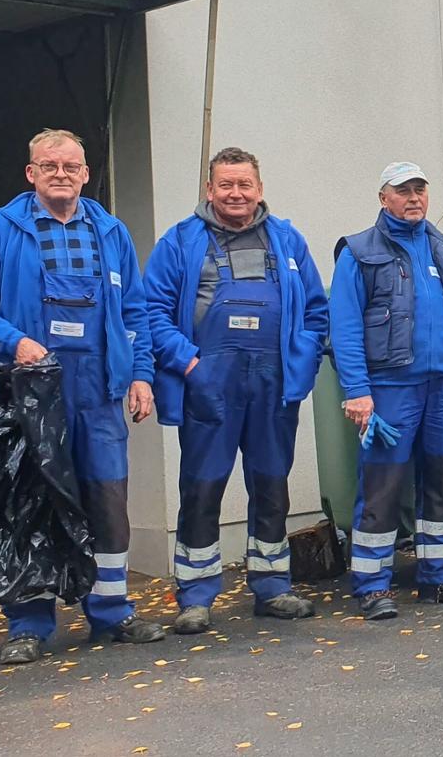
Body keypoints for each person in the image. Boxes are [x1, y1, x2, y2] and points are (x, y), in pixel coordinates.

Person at [0, 128, 166, 663]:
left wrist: (141, 375)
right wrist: (13, 340)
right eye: (50, 166)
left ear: (87, 173)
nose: (61, 174)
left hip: (98, 391)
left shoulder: (110, 231)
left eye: (71, 166)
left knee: (107, 502)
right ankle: (29, 624)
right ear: (31, 173)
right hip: (31, 388)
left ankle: (111, 613)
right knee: (30, 502)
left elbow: (135, 313)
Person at [141, 147, 327, 634]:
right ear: (209, 190)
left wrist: (298, 364)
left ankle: (272, 586)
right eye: (226, 184)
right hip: (210, 386)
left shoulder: (287, 241)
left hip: (271, 385)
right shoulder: (181, 242)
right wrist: (191, 364)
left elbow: (316, 313)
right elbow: (151, 313)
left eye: (245, 184)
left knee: (271, 484)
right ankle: (197, 595)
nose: (236, 193)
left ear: (260, 188)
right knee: (202, 488)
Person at [329, 161, 443, 620]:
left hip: (442, 387)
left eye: (420, 189)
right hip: (388, 390)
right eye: (403, 191)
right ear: (384, 198)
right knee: (382, 487)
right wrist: (357, 391)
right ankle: (372, 586)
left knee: (441, 483)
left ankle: (440, 578)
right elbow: (343, 327)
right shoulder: (359, 252)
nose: (414, 197)